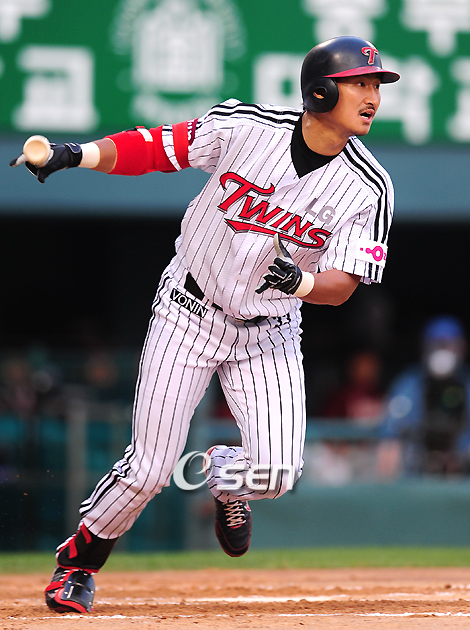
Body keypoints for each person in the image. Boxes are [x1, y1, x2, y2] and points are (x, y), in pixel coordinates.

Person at [10, 35, 399, 614]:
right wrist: (76, 154)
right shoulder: (247, 128)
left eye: (375, 86)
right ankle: (78, 563)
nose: (372, 97)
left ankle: (224, 473)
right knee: (150, 468)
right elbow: (154, 148)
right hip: (188, 310)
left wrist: (300, 284)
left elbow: (343, 285)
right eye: (359, 84)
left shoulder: (369, 186)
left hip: (268, 332)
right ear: (320, 91)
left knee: (277, 472)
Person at [377, 316, 470, 478]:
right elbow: (389, 441)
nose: (443, 352)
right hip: (417, 471)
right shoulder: (409, 384)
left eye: (449, 345)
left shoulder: (466, 383)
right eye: (437, 345)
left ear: (462, 348)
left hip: (461, 472)